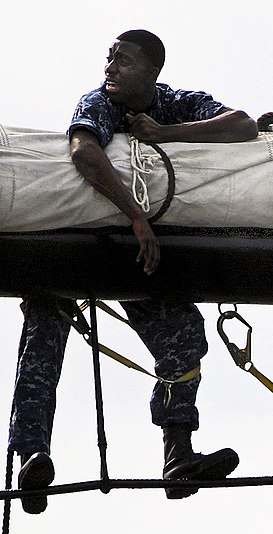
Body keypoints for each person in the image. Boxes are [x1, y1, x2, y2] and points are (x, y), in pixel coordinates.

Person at [8, 29, 258, 513]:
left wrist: (169, 134)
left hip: (131, 254)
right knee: (44, 336)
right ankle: (32, 455)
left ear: (152, 71)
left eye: (122, 60)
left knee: (184, 336)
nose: (110, 68)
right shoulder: (99, 103)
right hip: (75, 240)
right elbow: (84, 152)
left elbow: (243, 126)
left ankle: (178, 454)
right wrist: (138, 217)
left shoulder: (175, 103)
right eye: (109, 59)